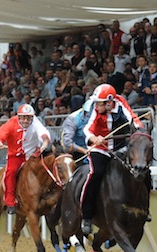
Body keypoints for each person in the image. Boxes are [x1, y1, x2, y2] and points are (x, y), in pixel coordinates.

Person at [80, 84, 151, 235]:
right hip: (101, 149)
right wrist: (94, 138)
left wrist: (140, 130)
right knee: (96, 173)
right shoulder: (95, 110)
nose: (96, 105)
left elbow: (133, 118)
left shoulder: (120, 102)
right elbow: (87, 129)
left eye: (99, 103)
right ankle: (86, 216)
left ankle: (145, 208)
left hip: (120, 148)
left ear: (109, 102)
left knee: (145, 171)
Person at [0, 104, 51, 214]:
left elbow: (42, 132)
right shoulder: (11, 123)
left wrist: (45, 142)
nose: (26, 120)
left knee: (46, 169)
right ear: (18, 117)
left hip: (33, 156)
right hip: (15, 156)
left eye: (28, 118)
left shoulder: (36, 123)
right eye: (23, 117)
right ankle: (10, 201)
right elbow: (1, 134)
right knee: (10, 173)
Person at [62, 98, 94, 162]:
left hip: (96, 149)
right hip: (79, 152)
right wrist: (84, 151)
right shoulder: (72, 119)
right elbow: (67, 142)